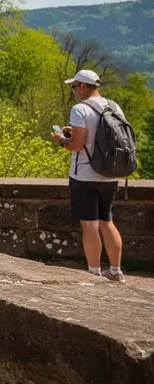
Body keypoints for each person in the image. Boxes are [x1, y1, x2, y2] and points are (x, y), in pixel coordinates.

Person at [52, 70, 127, 281]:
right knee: (107, 221)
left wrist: (60, 139)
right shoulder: (114, 106)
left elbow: (77, 145)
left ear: (83, 86)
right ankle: (115, 270)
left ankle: (94, 272)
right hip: (110, 173)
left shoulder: (80, 109)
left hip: (85, 174)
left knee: (90, 224)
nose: (74, 91)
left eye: (74, 87)